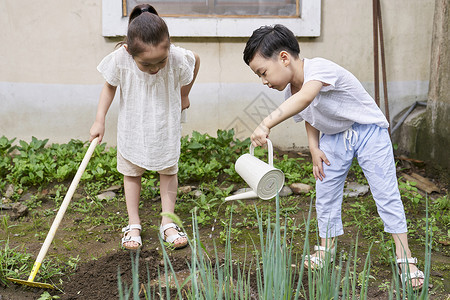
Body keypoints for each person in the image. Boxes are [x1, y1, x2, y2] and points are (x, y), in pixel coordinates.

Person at [243, 24, 424, 289]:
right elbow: (310, 116)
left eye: (263, 72)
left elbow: (306, 99)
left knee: (385, 192)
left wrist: (266, 122)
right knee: (325, 191)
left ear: (283, 58)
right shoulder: (290, 91)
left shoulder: (319, 69)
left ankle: (405, 256)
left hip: (367, 131)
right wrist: (314, 148)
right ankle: (326, 248)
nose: (264, 81)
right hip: (333, 139)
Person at [89, 4, 200, 250]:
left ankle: (167, 223)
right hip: (133, 125)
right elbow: (109, 86)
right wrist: (100, 119)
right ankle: (134, 223)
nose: (156, 68)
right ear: (129, 51)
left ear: (168, 46)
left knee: (169, 171)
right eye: (147, 64)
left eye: (161, 61)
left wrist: (184, 95)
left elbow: (195, 61)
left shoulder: (176, 57)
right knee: (131, 172)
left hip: (164, 124)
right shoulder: (121, 58)